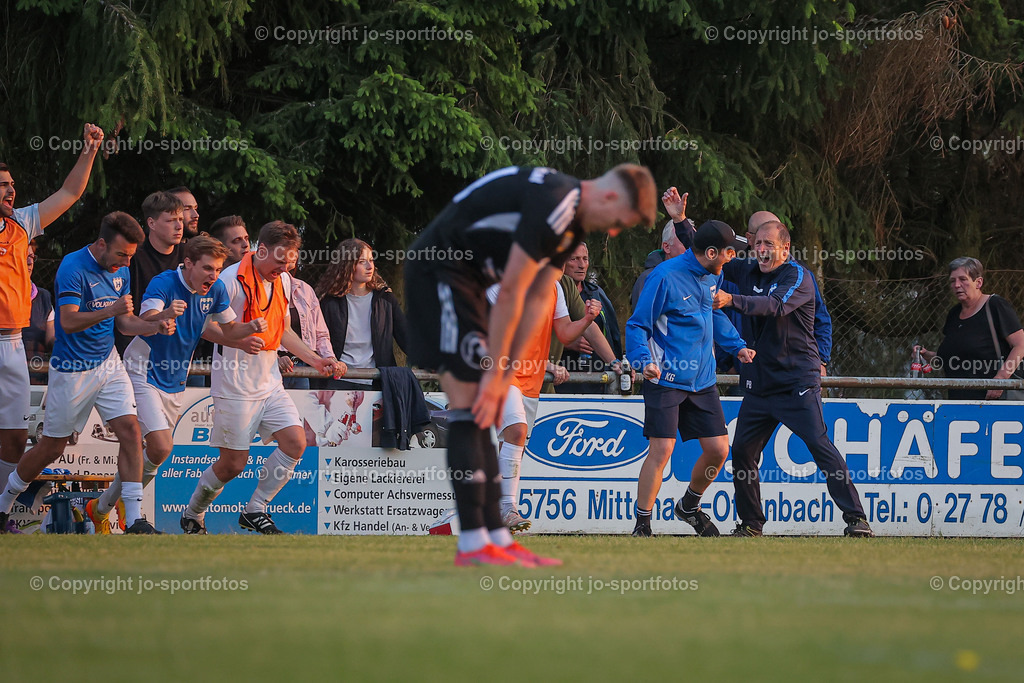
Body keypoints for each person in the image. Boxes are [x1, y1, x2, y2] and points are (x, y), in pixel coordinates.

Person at [405, 164, 656, 566]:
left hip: (467, 283)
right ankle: (476, 544)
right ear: (610, 197)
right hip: (441, 276)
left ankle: (494, 539)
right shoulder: (557, 203)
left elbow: (538, 296)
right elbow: (510, 295)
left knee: (484, 414)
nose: (612, 232)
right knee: (474, 407)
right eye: (618, 222)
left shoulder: (569, 223)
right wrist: (501, 370)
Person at [0, 212, 175, 534]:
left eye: (131, 257)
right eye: (121, 254)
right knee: (51, 448)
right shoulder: (72, 267)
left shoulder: (120, 269)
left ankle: (135, 519)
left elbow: (123, 322)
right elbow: (67, 321)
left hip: (109, 363)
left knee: (132, 432)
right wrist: (110, 310)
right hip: (71, 371)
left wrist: (155, 324)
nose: (125, 262)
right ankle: (3, 503)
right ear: (101, 243)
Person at [86, 236, 264, 533]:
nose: (214, 275)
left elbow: (224, 329)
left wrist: (247, 335)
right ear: (189, 264)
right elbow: (148, 315)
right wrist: (163, 318)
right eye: (208, 268)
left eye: (218, 269)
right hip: (143, 370)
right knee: (160, 445)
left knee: (156, 452)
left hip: (175, 380)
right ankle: (132, 514)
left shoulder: (216, 289)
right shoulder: (165, 282)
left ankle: (102, 506)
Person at [180, 221, 342, 535]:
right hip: (234, 386)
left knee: (295, 443)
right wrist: (237, 340)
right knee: (233, 465)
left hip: (269, 382)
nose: (284, 268)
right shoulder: (228, 280)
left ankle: (255, 509)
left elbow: (282, 330)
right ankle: (192, 514)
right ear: (261, 250)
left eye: (290, 262)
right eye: (280, 261)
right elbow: (199, 324)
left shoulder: (282, 281)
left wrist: (315, 359)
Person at [714, 220, 873, 537]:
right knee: (743, 452)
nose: (761, 250)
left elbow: (773, 307)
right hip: (759, 386)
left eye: (768, 244)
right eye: (758, 243)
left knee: (818, 444)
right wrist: (680, 222)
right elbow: (711, 250)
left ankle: (857, 519)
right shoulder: (747, 270)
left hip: (795, 383)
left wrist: (732, 300)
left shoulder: (798, 276)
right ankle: (751, 524)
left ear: (785, 248)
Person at [0, 123, 104, 518]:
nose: (11, 190)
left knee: (13, 440)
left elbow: (69, 193)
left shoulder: (22, 223)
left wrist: (89, 150)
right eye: (2, 185)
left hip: (10, 346)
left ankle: (1, 515)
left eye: (11, 184)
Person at [626, 220, 756, 537]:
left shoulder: (713, 275)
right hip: (665, 377)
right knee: (663, 449)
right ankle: (642, 525)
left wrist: (736, 345)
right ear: (710, 252)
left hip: (703, 381)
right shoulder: (663, 277)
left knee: (718, 450)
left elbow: (712, 314)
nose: (731, 258)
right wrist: (643, 361)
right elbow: (636, 326)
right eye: (728, 253)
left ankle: (689, 506)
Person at [489, 280, 602, 533]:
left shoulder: (554, 287)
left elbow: (563, 332)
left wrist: (586, 319)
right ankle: (507, 507)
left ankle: (492, 507)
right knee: (516, 430)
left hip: (530, 377)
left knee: (512, 444)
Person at [915, 257, 1024, 400]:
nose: (957, 285)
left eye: (963, 279)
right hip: (958, 403)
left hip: (993, 402)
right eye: (952, 281)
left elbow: (1020, 345)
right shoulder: (953, 314)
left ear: (978, 282)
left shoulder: (995, 306)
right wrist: (927, 355)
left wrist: (1001, 379)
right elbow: (957, 357)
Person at [317, 238, 407, 390]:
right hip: (338, 381)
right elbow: (318, 341)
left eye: (371, 260)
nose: (369, 266)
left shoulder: (385, 298)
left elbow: (406, 337)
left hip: (376, 381)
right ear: (346, 265)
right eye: (361, 261)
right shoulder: (328, 301)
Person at [115, 191, 185, 355]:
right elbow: (124, 314)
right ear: (151, 223)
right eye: (171, 220)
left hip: (179, 349)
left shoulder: (189, 256)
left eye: (181, 219)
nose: (179, 226)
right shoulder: (132, 257)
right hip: (137, 349)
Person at [189, 215, 251, 386]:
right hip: (202, 361)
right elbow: (205, 325)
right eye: (237, 240)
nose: (245, 245)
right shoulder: (207, 281)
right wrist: (241, 342)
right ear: (221, 247)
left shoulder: (252, 280)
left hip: (243, 365)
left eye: (246, 238)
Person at [558, 242, 623, 393]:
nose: (581, 265)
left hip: (594, 378)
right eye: (574, 259)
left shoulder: (593, 292)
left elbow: (593, 329)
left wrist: (615, 363)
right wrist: (567, 343)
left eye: (585, 259)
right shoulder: (532, 286)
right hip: (546, 373)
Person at [279, 267, 336, 390]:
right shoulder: (261, 289)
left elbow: (320, 333)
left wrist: (330, 359)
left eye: (293, 252)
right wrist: (274, 358)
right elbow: (257, 333)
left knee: (301, 408)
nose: (290, 257)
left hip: (301, 367)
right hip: (271, 370)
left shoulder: (305, 290)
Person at [629, 218, 692, 312]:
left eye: (692, 241)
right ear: (666, 247)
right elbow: (641, 322)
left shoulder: (701, 277)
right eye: (684, 241)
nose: (690, 248)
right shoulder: (649, 279)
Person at [23, 240, 54, 385]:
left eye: (32, 256)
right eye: (23, 256)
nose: (30, 262)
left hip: (37, 379)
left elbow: (51, 340)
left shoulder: (43, 297)